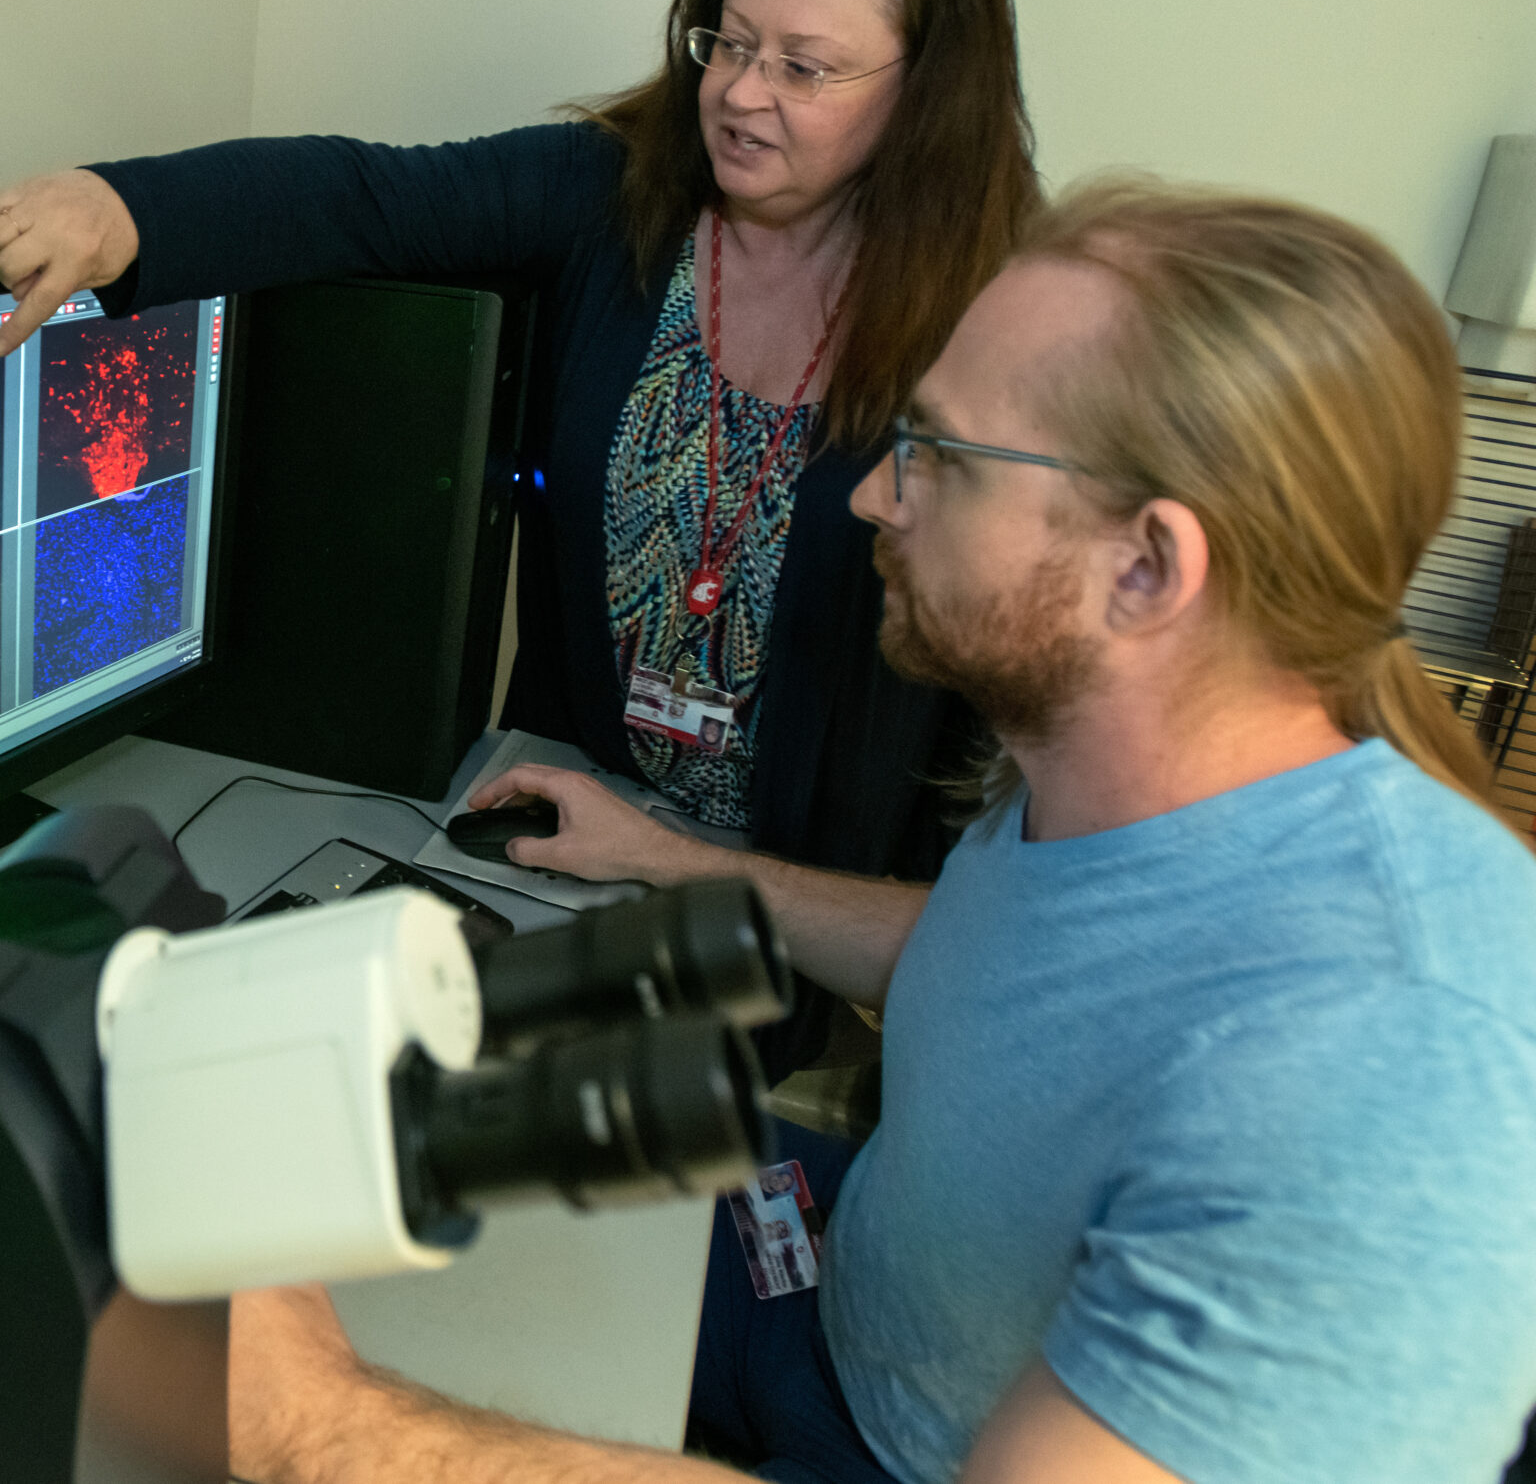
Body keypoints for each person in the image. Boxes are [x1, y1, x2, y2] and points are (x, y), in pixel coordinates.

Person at [228, 179, 1536, 1483]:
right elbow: (1002, 959)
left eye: (939, 454)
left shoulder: (1387, 1073)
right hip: (843, 1271)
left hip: (906, 1453)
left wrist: (310, 1418)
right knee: (323, 1154)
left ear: (1146, 567)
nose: (871, 498)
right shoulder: (1132, 757)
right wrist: (664, 858)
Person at [0, 0, 1040, 1075]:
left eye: (805, 67)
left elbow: (1004, 718)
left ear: (928, 92)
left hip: (810, 928)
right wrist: (127, 211)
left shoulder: (999, 313)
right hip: (564, 836)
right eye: (729, 43)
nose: (743, 95)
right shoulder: (615, 192)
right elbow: (368, 195)